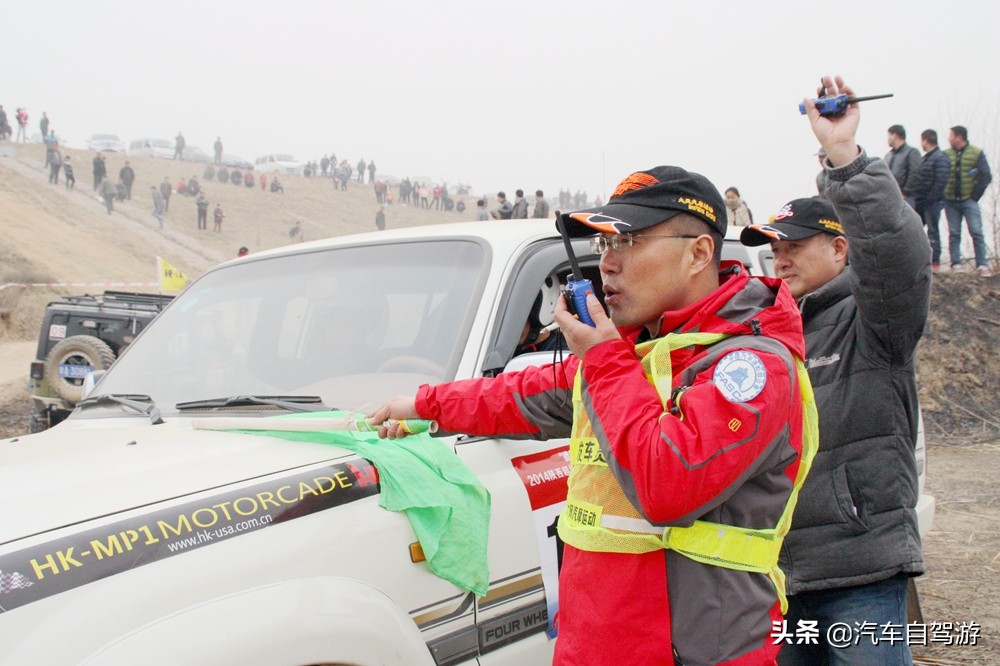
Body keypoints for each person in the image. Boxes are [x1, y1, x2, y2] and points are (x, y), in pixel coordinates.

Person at [372, 165, 814, 666]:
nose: (607, 263)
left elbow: (668, 484)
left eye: (627, 242)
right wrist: (422, 405)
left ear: (697, 253)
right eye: (604, 244)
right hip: (592, 644)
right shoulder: (635, 353)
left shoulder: (751, 366)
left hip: (693, 652)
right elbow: (521, 394)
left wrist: (604, 356)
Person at [740, 74, 931, 666]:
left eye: (795, 246)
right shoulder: (765, 337)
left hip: (860, 573)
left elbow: (896, 254)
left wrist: (844, 157)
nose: (781, 260)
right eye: (775, 250)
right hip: (780, 575)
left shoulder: (876, 321)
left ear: (841, 248)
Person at [943, 125, 992, 275]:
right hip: (950, 200)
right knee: (954, 233)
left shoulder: (976, 153)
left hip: (968, 200)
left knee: (976, 231)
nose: (949, 138)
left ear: (959, 137)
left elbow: (986, 175)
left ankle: (982, 264)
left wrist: (975, 196)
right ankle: (956, 264)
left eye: (951, 135)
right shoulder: (946, 154)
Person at [915, 129, 951, 273]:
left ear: (926, 140)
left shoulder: (940, 157)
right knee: (916, 231)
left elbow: (942, 180)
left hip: (933, 202)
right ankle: (919, 261)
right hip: (921, 202)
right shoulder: (925, 158)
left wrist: (931, 198)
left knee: (933, 232)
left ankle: (935, 262)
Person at [885, 124, 922, 209]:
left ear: (895, 135)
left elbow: (915, 174)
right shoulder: (889, 155)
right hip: (890, 197)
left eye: (889, 135)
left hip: (905, 198)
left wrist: (905, 193)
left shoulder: (912, 152)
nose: (888, 139)